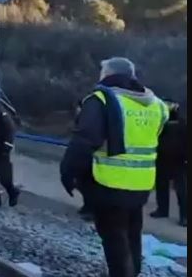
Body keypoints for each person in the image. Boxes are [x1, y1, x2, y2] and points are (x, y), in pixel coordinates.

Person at [60, 57, 168, 277]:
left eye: (102, 72)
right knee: (132, 236)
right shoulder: (155, 103)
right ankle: (132, 272)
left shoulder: (102, 99)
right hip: (142, 183)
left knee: (114, 239)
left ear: (108, 75)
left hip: (109, 182)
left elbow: (84, 141)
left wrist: (68, 173)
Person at [150, 100, 187, 227]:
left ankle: (178, 214)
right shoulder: (177, 123)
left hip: (174, 159)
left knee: (178, 188)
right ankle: (174, 213)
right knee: (168, 186)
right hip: (171, 158)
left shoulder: (165, 123)